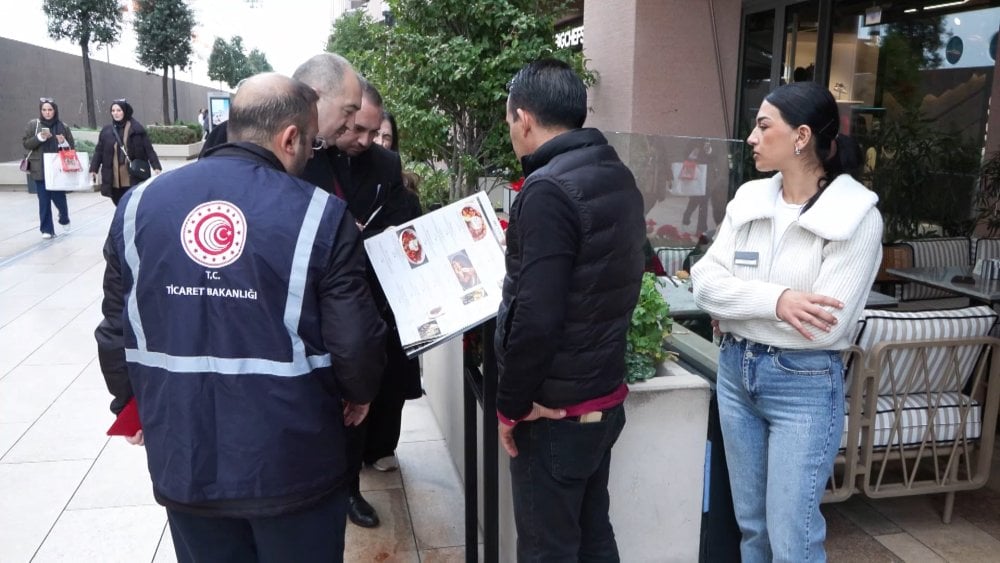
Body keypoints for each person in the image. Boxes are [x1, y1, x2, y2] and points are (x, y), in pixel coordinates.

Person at [94, 73, 388, 563]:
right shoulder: (320, 214)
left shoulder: (138, 206)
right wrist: (360, 393)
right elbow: (354, 338)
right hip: (294, 462)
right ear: (290, 137)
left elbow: (115, 326)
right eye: (310, 145)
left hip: (185, 455)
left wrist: (130, 401)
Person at [691, 81, 882, 563]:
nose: (752, 138)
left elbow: (825, 326)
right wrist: (778, 302)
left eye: (762, 126)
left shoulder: (855, 215)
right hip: (736, 371)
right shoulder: (750, 199)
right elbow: (704, 281)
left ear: (800, 136)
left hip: (804, 382)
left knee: (791, 535)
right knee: (751, 528)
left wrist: (737, 306)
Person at [496, 59, 646, 561]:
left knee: (547, 548)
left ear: (525, 119)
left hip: (554, 413)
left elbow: (535, 317)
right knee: (592, 534)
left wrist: (511, 406)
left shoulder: (548, 189)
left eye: (508, 119)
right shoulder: (614, 172)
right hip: (600, 399)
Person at [315, 77, 423, 529]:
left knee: (363, 389)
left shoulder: (385, 163)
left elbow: (406, 222)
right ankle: (328, 482)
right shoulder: (305, 158)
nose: (363, 140)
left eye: (372, 131)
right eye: (355, 129)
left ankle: (351, 489)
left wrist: (367, 236)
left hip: (372, 297)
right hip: (317, 298)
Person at [200, 52, 362, 160]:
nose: (351, 125)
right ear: (313, 98)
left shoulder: (332, 153)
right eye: (348, 111)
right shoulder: (227, 134)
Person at [90, 99, 162, 206]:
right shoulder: (107, 131)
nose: (115, 113)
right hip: (113, 177)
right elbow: (99, 151)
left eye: (119, 110)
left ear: (125, 111)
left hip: (131, 175)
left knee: (131, 204)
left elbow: (148, 149)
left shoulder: (136, 129)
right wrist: (93, 169)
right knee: (119, 204)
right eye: (113, 110)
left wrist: (156, 166)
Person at [21, 97, 75, 239]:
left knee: (60, 200)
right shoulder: (34, 125)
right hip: (40, 169)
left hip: (58, 170)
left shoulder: (63, 126)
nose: (47, 113)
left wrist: (63, 143)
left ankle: (64, 218)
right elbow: (26, 143)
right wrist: (39, 138)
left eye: (50, 109)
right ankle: (47, 229)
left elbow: (71, 148)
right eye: (44, 110)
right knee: (43, 201)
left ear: (55, 110)